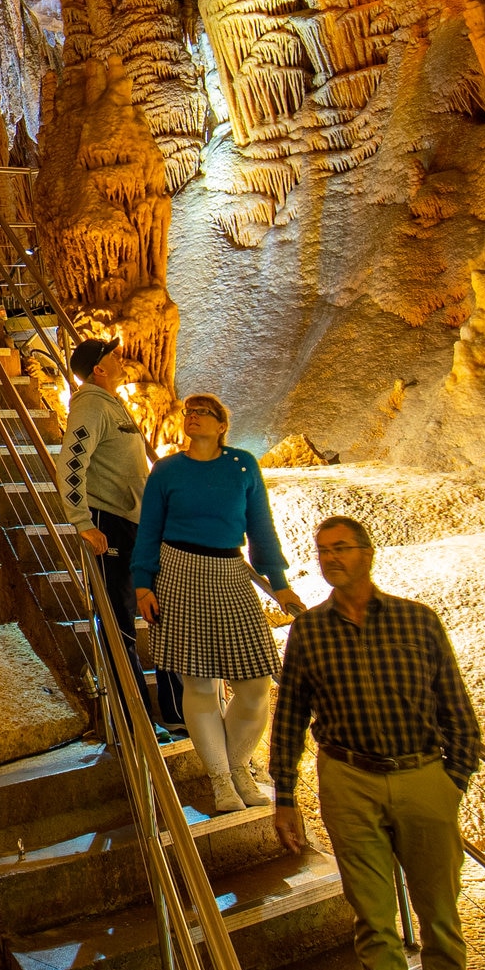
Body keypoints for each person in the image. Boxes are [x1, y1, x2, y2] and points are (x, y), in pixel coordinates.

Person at [271, 515, 481, 970]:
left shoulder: (418, 620)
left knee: (441, 918)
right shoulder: (309, 631)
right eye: (323, 551)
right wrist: (284, 796)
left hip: (423, 775)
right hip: (349, 780)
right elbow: (291, 715)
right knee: (373, 919)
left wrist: (453, 779)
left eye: (341, 548)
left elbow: (454, 704)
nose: (331, 559)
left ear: (367, 553)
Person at [132, 392, 302, 813]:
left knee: (256, 681)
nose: (194, 418)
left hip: (230, 573)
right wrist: (143, 584)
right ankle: (222, 780)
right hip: (177, 570)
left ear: (222, 425)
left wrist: (278, 583)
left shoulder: (242, 465)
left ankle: (239, 765)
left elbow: (261, 527)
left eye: (204, 413)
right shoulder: (167, 469)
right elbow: (149, 528)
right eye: (190, 412)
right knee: (200, 684)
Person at [55, 338, 174, 721]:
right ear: (98, 369)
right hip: (109, 524)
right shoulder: (90, 404)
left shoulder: (110, 404)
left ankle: (172, 709)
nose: (120, 357)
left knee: (157, 609)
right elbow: (72, 462)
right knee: (119, 617)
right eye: (112, 354)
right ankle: (132, 715)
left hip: (135, 524)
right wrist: (82, 522)